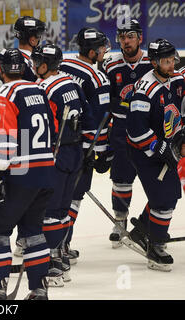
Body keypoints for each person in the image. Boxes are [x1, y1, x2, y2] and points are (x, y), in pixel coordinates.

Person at [0, 48, 56, 300]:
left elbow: (5, 141)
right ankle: (38, 290)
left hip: (19, 173)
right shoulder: (39, 90)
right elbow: (54, 129)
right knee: (33, 231)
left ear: (0, 70)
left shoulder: (4, 93)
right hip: (46, 170)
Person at [0, 16, 46, 256]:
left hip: (0, 126)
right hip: (24, 137)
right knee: (19, 188)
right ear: (34, 37)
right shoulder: (37, 63)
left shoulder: (4, 59)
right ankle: (21, 238)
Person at [32, 43, 95, 286]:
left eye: (37, 61)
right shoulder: (72, 84)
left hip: (54, 155)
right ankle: (60, 256)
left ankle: (51, 265)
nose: (34, 65)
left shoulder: (42, 89)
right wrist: (87, 148)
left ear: (45, 65)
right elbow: (89, 120)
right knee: (61, 211)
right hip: (75, 154)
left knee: (48, 211)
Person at [126, 38, 184, 272]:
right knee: (164, 199)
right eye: (166, 61)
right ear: (153, 63)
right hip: (144, 152)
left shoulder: (175, 79)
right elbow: (136, 131)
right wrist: (162, 150)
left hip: (165, 146)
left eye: (173, 60)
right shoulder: (144, 91)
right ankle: (155, 246)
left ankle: (141, 232)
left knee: (169, 194)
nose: (171, 65)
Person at [59, 27, 111, 264]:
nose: (104, 52)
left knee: (52, 196)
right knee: (73, 198)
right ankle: (60, 245)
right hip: (79, 149)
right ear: (91, 52)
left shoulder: (63, 66)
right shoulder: (97, 78)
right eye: (101, 48)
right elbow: (99, 122)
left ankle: (38, 244)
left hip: (53, 144)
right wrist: (99, 153)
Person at [101, 19, 153, 249]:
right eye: (122, 36)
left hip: (149, 131)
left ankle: (150, 225)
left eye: (130, 36)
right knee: (121, 179)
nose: (126, 41)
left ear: (140, 37)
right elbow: (103, 98)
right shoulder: (110, 64)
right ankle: (120, 222)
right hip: (121, 130)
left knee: (155, 179)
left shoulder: (152, 62)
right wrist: (118, 105)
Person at [0, 15, 44, 88]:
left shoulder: (3, 57)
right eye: (38, 35)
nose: (39, 39)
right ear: (32, 40)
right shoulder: (33, 63)